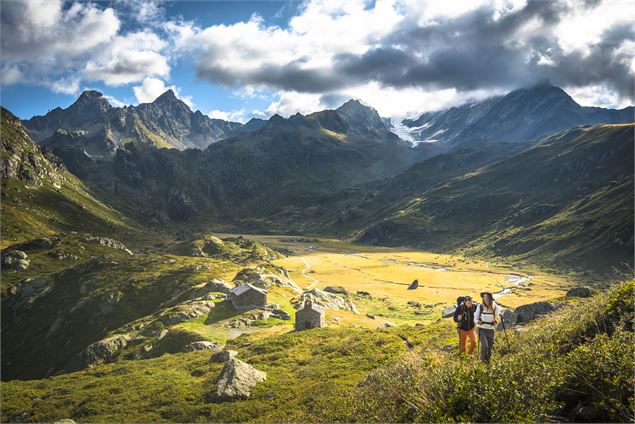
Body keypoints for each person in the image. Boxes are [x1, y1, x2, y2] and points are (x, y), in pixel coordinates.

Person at [475, 291, 502, 363]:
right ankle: (482, 361)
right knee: (485, 346)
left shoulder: (494, 307)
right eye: (484, 297)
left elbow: (499, 318)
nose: (485, 299)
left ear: (490, 298)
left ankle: (487, 362)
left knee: (490, 348)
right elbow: (475, 319)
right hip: (481, 329)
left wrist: (499, 318)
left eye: (487, 297)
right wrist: (478, 322)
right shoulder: (480, 307)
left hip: (491, 330)